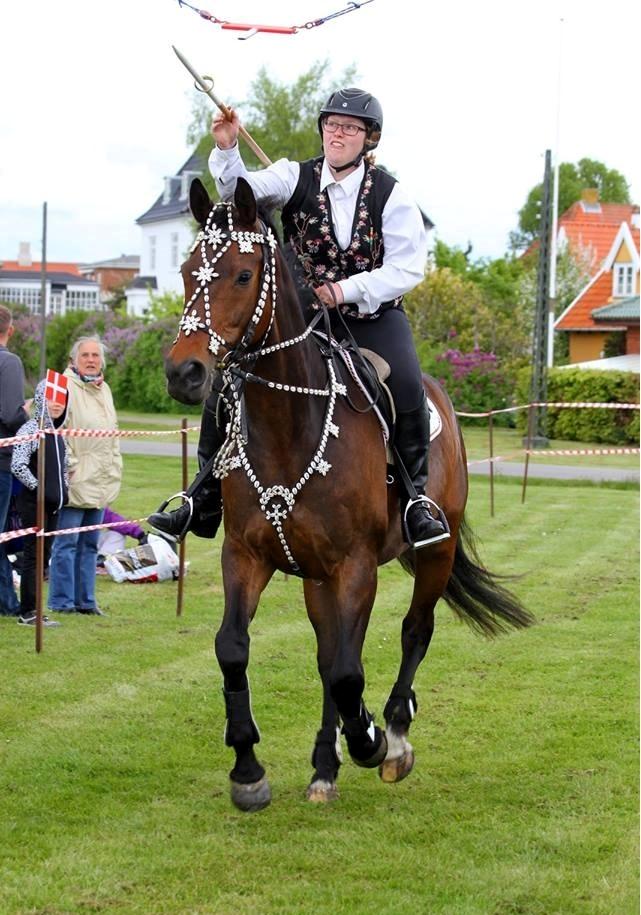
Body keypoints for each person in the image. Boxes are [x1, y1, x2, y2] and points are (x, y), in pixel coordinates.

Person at [149, 88, 448, 549]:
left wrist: (344, 290)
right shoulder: (293, 176)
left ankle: (416, 501)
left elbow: (407, 269)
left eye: (350, 128)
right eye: (332, 124)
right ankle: (201, 496)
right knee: (230, 378)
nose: (338, 133)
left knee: (407, 383)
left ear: (370, 139)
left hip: (373, 316)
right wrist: (227, 147)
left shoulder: (392, 196)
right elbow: (235, 193)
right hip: (305, 314)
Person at [47, 336, 122, 616]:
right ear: (73, 360)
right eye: (85, 355)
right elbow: (56, 431)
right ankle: (62, 601)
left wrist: (114, 465)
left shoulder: (105, 390)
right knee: (66, 543)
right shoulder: (63, 387)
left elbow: (112, 434)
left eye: (95, 355)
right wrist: (71, 467)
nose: (91, 360)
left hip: (101, 480)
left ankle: (86, 601)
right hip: (75, 479)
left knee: (90, 544)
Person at [11, 379, 68, 627]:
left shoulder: (58, 433)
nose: (57, 404)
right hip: (34, 505)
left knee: (44, 557)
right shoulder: (30, 430)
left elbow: (64, 467)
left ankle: (37, 610)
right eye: (52, 397)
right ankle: (29, 612)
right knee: (33, 558)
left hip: (53, 506)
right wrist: (39, 489)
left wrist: (64, 490)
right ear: (41, 397)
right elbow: (18, 465)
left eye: (62, 399)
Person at [0, 305, 30, 616]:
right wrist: (29, 420)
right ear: (11, 330)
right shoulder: (9, 362)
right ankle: (7, 603)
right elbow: (10, 413)